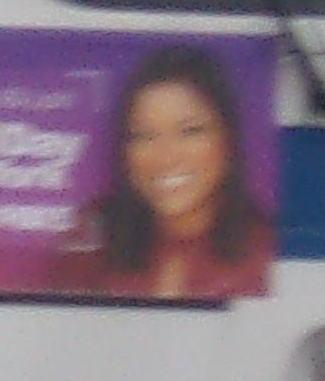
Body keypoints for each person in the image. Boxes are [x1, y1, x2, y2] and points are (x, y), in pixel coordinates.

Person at [59, 45, 276, 301]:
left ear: (227, 139)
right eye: (143, 136)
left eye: (190, 131)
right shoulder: (91, 243)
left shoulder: (271, 251)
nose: (165, 157)